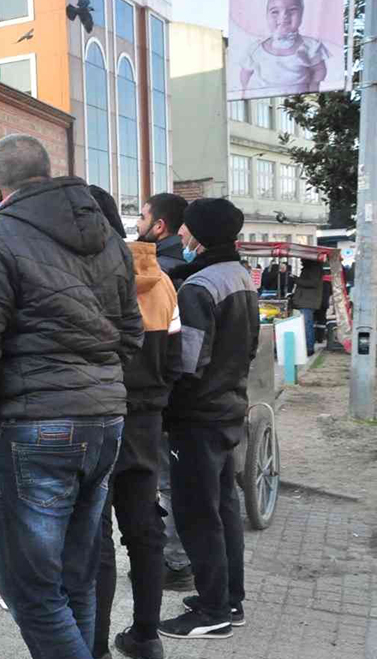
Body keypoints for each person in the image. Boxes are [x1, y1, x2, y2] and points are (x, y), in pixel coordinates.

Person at [0, 135, 143, 659]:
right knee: (73, 579)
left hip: (34, 426)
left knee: (28, 590)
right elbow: (131, 331)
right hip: (103, 421)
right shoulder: (107, 237)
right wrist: (97, 383)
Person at [159, 199, 259, 640]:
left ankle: (213, 611)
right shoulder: (241, 278)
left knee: (198, 514)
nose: (180, 236)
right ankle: (228, 599)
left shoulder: (198, 288)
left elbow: (187, 363)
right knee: (223, 508)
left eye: (185, 230)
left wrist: (167, 407)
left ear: (200, 236)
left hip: (198, 418)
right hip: (230, 409)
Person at [90, 186, 182, 659]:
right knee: (144, 528)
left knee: (96, 535)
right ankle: (147, 636)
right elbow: (177, 358)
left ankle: (96, 644)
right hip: (147, 419)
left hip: (99, 416)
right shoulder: (161, 281)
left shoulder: (87, 279)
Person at [135, 191, 195, 591]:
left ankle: (174, 562)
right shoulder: (188, 269)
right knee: (171, 481)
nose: (137, 225)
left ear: (159, 226)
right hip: (173, 393)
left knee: (162, 482)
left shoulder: (164, 272)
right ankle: (175, 558)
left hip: (152, 399)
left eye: (142, 217)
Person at [239, 0, 330, 98]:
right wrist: (244, 92)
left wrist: (313, 87)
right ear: (266, 16)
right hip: (263, 98)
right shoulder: (256, 48)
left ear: (302, 14)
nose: (284, 16)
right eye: (275, 12)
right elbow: (245, 74)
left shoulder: (311, 46)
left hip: (296, 101)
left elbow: (320, 70)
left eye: (292, 10)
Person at [136, 193, 188, 276]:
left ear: (159, 226)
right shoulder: (189, 260)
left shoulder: (152, 271)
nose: (138, 223)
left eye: (142, 218)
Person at [291, 258, 325, 357]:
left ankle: (309, 348)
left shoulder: (314, 269)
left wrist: (296, 280)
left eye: (302, 258)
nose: (301, 260)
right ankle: (307, 347)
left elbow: (312, 283)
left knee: (307, 325)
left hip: (307, 302)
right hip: (306, 301)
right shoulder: (311, 268)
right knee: (306, 325)